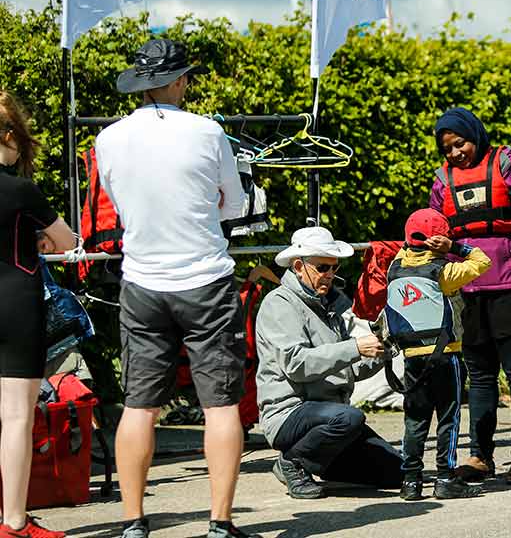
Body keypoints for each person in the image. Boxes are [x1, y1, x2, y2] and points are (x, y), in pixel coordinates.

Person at [96, 39, 257, 538]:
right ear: (178, 80)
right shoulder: (208, 132)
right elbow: (234, 206)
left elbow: (117, 203)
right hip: (205, 277)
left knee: (140, 404)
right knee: (220, 404)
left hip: (142, 280)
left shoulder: (109, 138)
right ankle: (219, 523)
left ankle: (132, 521)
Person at [429, 107, 511, 485]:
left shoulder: (509, 165)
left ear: (475, 135)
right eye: (447, 148)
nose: (455, 153)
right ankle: (480, 455)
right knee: (479, 378)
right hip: (468, 292)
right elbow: (435, 231)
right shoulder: (442, 181)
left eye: (461, 143)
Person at [255, 227, 404, 500]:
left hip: (332, 418)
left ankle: (317, 462)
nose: (330, 275)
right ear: (298, 267)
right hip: (289, 414)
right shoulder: (278, 304)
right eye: (323, 267)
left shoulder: (329, 305)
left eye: (334, 268)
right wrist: (355, 347)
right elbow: (296, 364)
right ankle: (292, 462)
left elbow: (344, 369)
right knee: (349, 418)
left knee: (400, 473)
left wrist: (385, 350)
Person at [0, 91, 76, 538]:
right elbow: (66, 241)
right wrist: (39, 241)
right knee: (15, 417)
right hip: (15, 303)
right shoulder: (21, 189)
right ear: (10, 137)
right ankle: (13, 522)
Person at [385, 208, 491, 501]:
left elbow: (406, 250)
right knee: (448, 417)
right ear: (440, 240)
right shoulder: (443, 272)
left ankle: (411, 481)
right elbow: (483, 260)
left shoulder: (395, 266)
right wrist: (456, 248)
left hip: (410, 357)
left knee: (415, 419)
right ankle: (445, 477)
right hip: (446, 355)